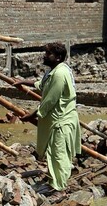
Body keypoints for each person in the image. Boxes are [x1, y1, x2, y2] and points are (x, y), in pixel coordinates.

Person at [18, 43, 80, 193]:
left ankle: (59, 187)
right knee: (54, 151)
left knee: (59, 153)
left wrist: (31, 115)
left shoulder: (59, 74)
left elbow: (50, 100)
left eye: (48, 54)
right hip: (56, 119)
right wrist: (25, 82)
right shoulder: (54, 71)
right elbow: (44, 84)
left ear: (58, 57)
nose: (44, 56)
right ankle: (56, 181)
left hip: (61, 120)